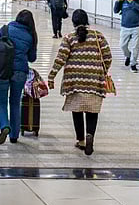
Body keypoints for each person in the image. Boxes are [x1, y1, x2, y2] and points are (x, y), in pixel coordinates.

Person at [47, 10, 111, 156]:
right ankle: (90, 135)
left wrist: (51, 76)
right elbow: (107, 57)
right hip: (94, 80)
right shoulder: (98, 36)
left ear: (73, 22)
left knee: (77, 110)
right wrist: (101, 71)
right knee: (92, 110)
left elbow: (60, 59)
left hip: (74, 80)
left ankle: (81, 140)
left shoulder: (69, 38)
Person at [0, 10, 37, 145]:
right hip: (20, 72)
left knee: (1, 102)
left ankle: (5, 126)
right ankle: (14, 135)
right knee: (15, 102)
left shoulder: (5, 29)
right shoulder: (30, 36)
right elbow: (32, 58)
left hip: (1, 70)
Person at [114, 0, 139, 72]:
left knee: (136, 46)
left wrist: (132, 2)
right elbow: (116, 11)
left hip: (137, 27)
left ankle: (133, 64)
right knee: (122, 45)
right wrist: (118, 2)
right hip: (125, 27)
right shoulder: (123, 0)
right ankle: (128, 56)